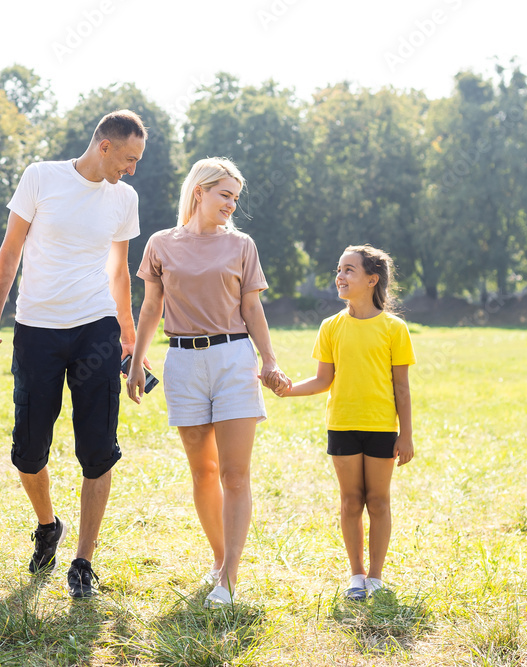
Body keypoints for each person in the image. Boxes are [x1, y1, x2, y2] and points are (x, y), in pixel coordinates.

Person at [0, 110, 146, 598]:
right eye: (129, 159)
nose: (132, 169)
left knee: (98, 449)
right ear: (104, 146)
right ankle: (48, 524)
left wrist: (128, 335)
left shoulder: (124, 197)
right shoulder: (41, 176)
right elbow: (10, 250)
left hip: (96, 327)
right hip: (37, 329)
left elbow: (119, 270)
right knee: (28, 452)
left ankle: (82, 562)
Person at [127, 157, 287, 608]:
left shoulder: (241, 246)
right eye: (225, 195)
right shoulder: (161, 244)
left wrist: (269, 360)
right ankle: (219, 560)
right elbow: (151, 308)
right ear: (200, 191)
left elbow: (253, 309)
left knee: (235, 474)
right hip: (182, 362)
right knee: (204, 472)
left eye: (236, 198)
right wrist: (138, 362)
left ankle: (231, 577)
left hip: (234, 358)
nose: (231, 205)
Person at [273, 244, 415, 600]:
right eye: (339, 269)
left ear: (372, 279)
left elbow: (402, 387)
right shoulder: (331, 327)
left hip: (382, 428)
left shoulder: (394, 328)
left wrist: (407, 435)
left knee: (378, 501)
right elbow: (323, 380)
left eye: (349, 270)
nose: (340, 276)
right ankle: (356, 575)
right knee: (351, 502)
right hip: (342, 426)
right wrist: (287, 390)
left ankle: (377, 577)